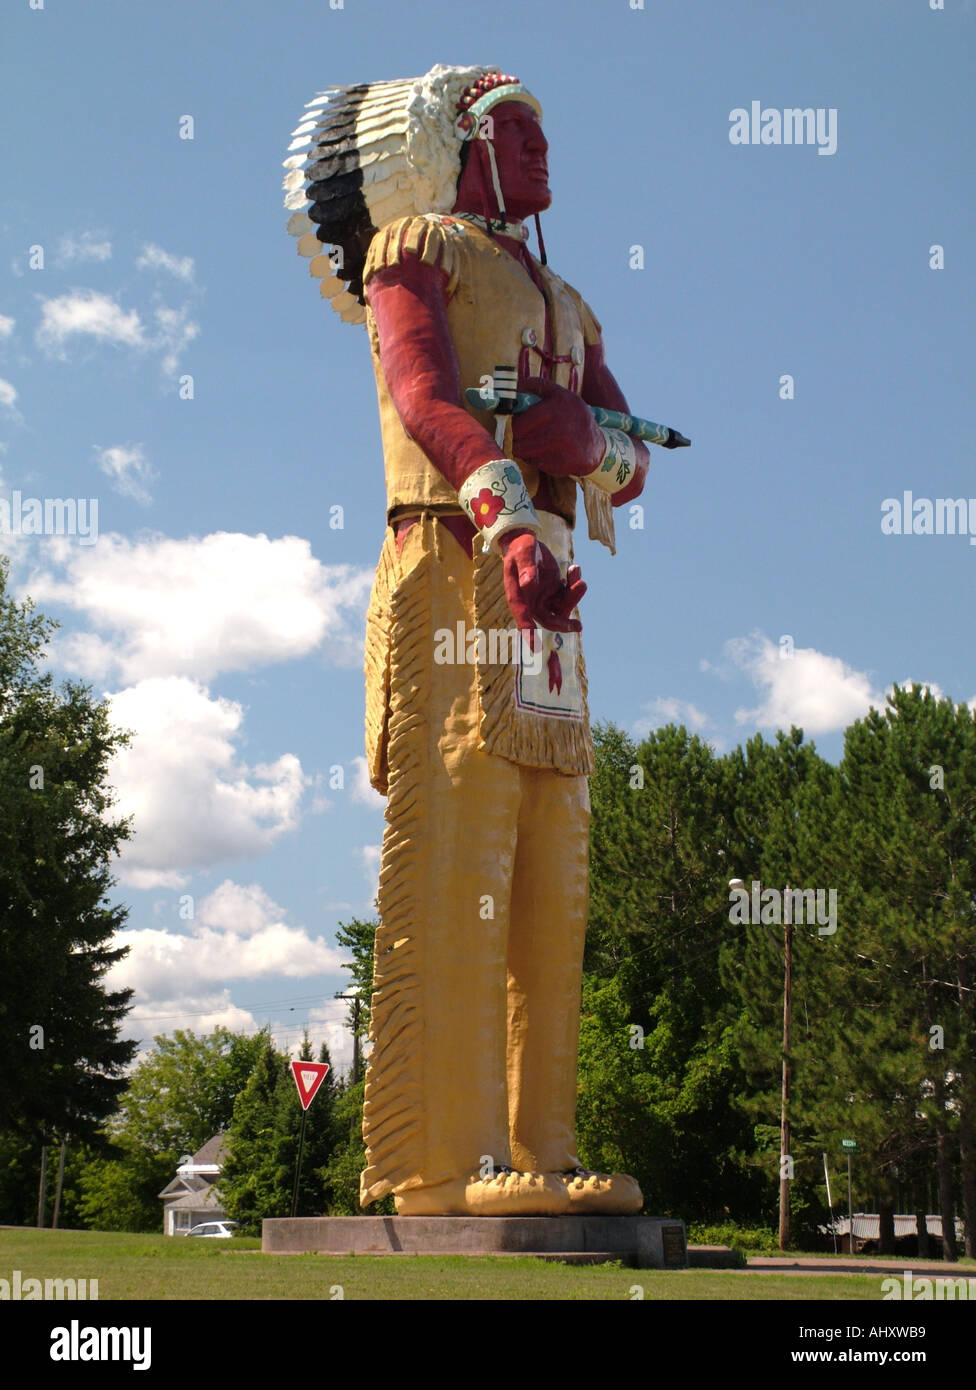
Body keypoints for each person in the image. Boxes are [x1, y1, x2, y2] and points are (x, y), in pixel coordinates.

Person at [285, 65, 649, 1216]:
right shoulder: (414, 251)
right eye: (516, 134)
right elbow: (422, 395)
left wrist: (581, 443)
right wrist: (508, 512)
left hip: (550, 601)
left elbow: (632, 453)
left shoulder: (568, 300)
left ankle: (545, 1147)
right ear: (456, 145)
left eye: (547, 133)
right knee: (459, 840)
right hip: (455, 559)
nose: (542, 154)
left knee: (556, 857)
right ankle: (443, 1158)